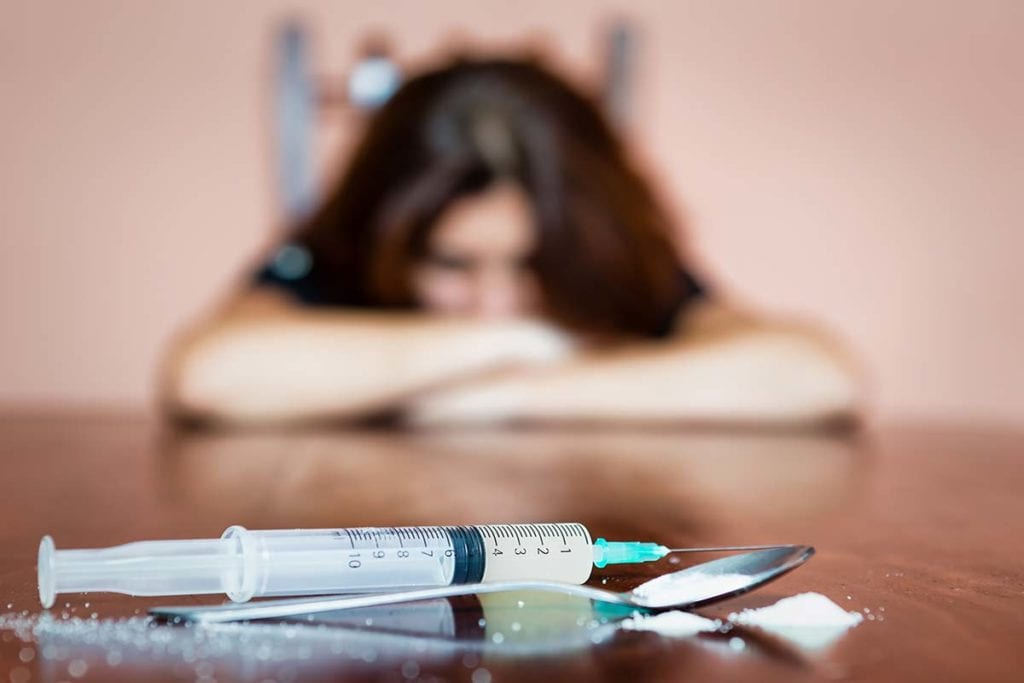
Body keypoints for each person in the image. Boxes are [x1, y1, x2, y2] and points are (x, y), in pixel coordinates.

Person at [161, 56, 861, 428]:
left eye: (529, 265)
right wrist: (519, 343)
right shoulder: (338, 257)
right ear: (388, 235)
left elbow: (816, 376)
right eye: (452, 263)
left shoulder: (608, 264)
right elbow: (208, 374)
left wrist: (494, 396)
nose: (495, 302)